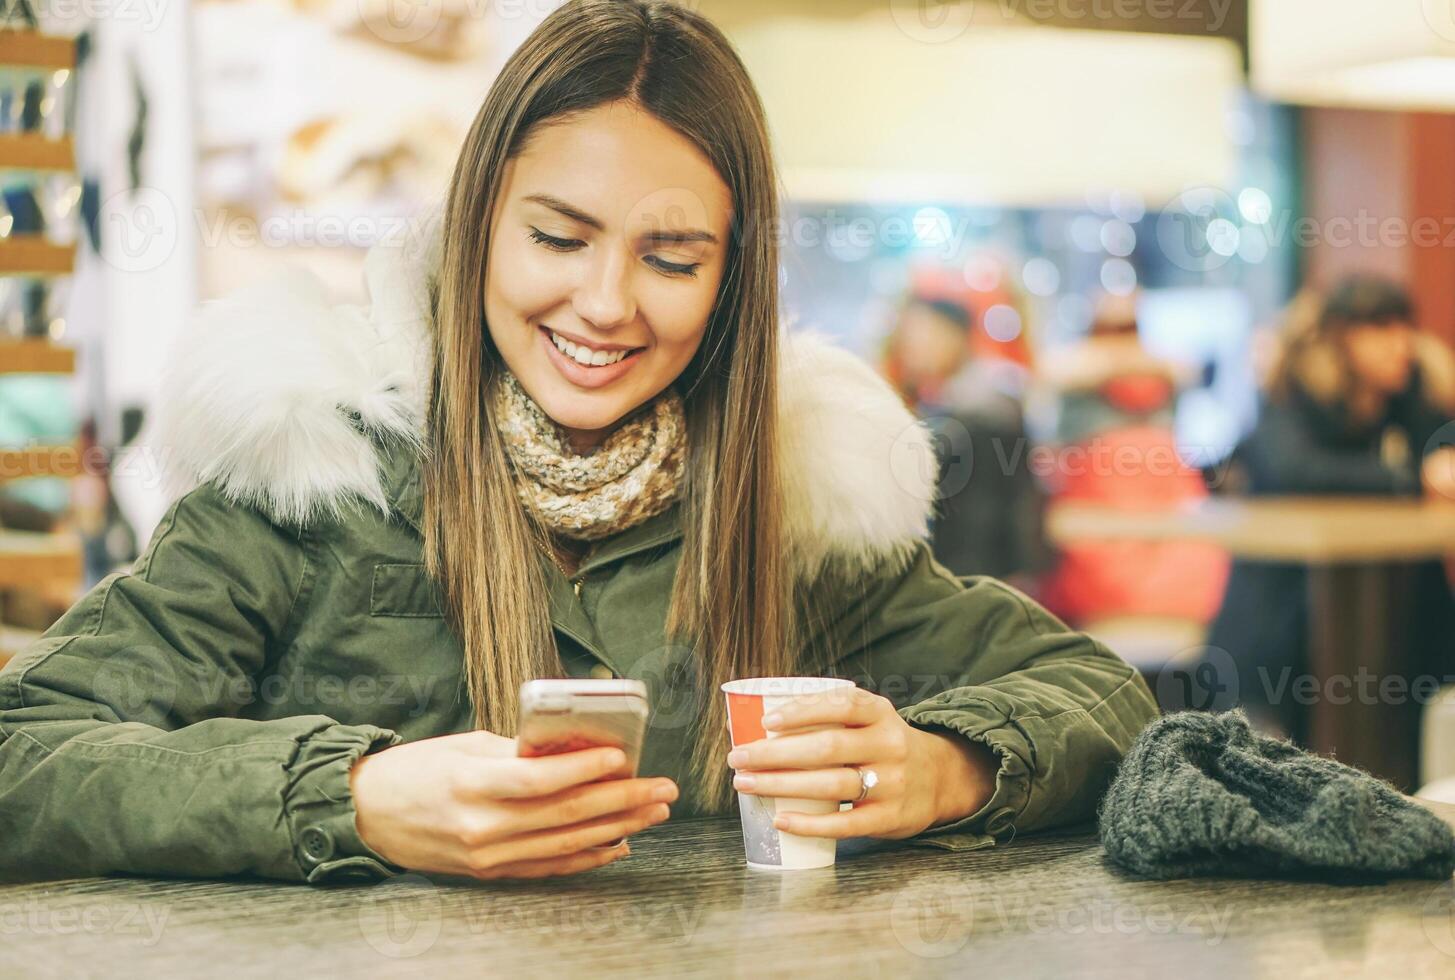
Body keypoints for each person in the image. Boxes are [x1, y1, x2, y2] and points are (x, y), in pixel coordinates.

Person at [0, 0, 1158, 885]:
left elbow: (1103, 696)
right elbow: (22, 755)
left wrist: (940, 766)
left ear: (730, 285)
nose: (606, 303)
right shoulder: (319, 469)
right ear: (477, 226)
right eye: (559, 236)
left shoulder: (799, 505)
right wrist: (346, 795)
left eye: (670, 258)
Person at [1205, 275, 1455, 740]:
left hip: (1402, 601)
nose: (1400, 344)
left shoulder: (1414, 400)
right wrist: (1411, 478)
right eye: (1379, 328)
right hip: (1291, 599)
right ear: (1340, 338)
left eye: (1405, 326)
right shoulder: (1294, 396)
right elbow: (1297, 471)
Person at [881, 294, 1050, 587]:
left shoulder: (985, 408)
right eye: (906, 338)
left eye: (922, 334)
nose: (909, 348)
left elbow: (1008, 504)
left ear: (955, 336)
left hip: (980, 577)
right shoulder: (947, 403)